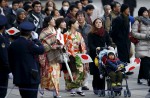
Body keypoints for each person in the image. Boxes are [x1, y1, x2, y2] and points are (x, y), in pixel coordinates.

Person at [8, 21, 44, 98]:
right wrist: (36, 40)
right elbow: (41, 50)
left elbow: (10, 60)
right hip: (31, 76)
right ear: (30, 33)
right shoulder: (30, 43)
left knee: (24, 96)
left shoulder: (13, 44)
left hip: (20, 75)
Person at [39, 16, 62, 98]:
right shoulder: (44, 32)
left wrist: (61, 44)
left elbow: (60, 40)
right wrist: (50, 47)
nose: (54, 21)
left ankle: (55, 93)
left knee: (56, 74)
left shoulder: (56, 30)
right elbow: (41, 44)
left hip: (56, 55)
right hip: (47, 56)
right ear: (48, 22)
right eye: (52, 19)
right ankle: (42, 89)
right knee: (48, 74)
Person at [88, 18, 111, 94]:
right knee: (96, 73)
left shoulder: (105, 32)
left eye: (100, 22)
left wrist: (110, 47)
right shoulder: (91, 33)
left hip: (103, 54)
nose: (98, 24)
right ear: (94, 24)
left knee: (102, 72)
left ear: (102, 24)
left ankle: (102, 89)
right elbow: (90, 45)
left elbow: (109, 42)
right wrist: (95, 49)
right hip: (94, 55)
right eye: (96, 22)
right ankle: (96, 88)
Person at [63, 19, 86, 96]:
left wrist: (80, 45)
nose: (78, 24)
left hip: (78, 55)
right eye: (76, 23)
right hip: (70, 55)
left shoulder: (79, 34)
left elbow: (83, 44)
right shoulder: (66, 34)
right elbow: (64, 46)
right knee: (72, 72)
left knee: (80, 71)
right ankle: (72, 89)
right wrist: (69, 50)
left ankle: (79, 88)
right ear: (72, 25)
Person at [131, 7, 150, 85]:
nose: (146, 13)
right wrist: (145, 36)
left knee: (144, 62)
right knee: (146, 62)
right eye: (144, 12)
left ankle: (140, 78)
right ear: (141, 13)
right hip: (141, 44)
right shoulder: (137, 21)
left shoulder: (149, 21)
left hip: (148, 45)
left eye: (147, 12)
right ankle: (148, 78)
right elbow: (134, 33)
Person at [76, 11, 91, 90]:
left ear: (84, 17)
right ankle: (78, 83)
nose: (80, 17)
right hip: (77, 50)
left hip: (87, 49)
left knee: (86, 68)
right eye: (78, 16)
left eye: (81, 16)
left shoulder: (89, 27)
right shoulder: (75, 27)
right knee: (79, 67)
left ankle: (85, 84)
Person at [0, 15, 10, 98]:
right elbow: (4, 56)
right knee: (2, 91)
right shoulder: (1, 39)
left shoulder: (3, 36)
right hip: (2, 69)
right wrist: (9, 69)